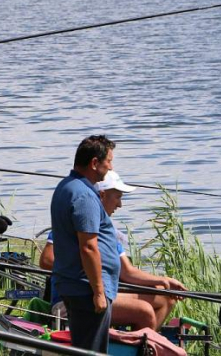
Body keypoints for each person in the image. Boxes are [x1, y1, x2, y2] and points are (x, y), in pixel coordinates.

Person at [41, 170, 187, 331]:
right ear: (102, 196)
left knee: (166, 297)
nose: (120, 204)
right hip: (72, 299)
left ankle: (134, 344)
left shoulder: (109, 232)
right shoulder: (74, 224)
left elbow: (128, 272)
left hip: (104, 293)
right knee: (144, 311)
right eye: (117, 197)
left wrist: (163, 281)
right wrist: (92, 269)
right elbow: (46, 260)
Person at [50, 135, 119, 353]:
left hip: (74, 284)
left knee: (83, 347)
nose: (110, 166)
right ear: (94, 163)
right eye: (108, 160)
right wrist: (99, 292)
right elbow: (88, 247)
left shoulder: (67, 186)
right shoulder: (84, 197)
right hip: (85, 289)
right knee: (92, 350)